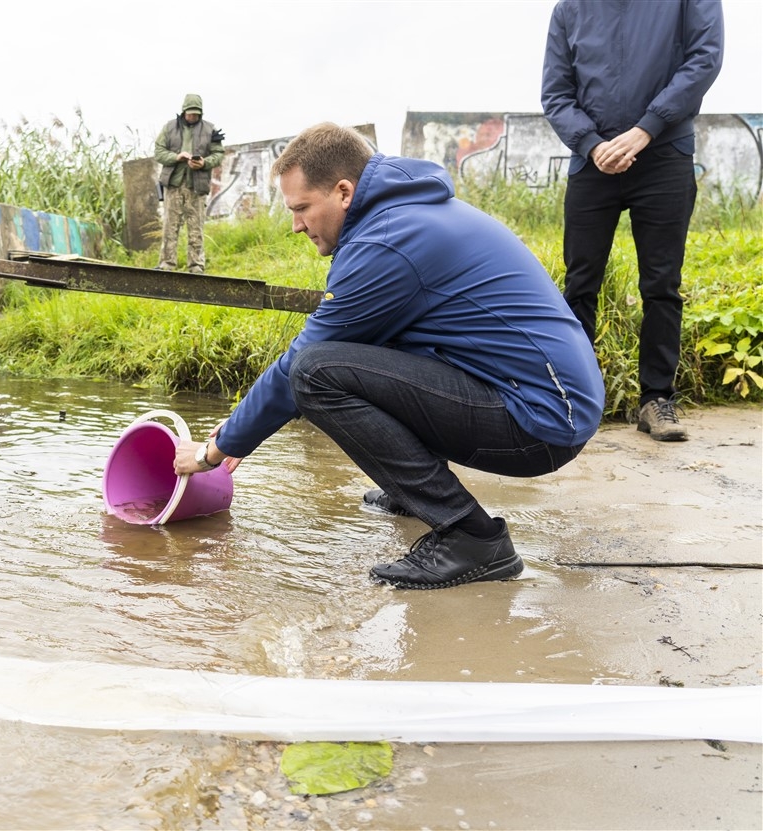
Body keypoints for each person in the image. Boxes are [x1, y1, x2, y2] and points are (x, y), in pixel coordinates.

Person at [172, 123, 605, 590]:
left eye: (301, 208)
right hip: (542, 399)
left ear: (343, 192)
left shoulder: (386, 243)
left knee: (314, 373)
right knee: (356, 351)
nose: (296, 224)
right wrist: (237, 429)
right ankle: (411, 492)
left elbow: (299, 363)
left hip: (542, 422)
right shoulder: (401, 214)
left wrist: (214, 451)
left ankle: (471, 537)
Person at [541, 0, 724, 442]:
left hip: (665, 155)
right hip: (593, 163)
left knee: (661, 284)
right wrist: (590, 143)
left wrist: (647, 128)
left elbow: (704, 59)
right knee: (580, 283)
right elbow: (556, 92)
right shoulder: (570, 9)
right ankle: (576, 398)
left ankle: (656, 400)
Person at [154, 94, 225, 274]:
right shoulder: (169, 128)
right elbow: (159, 152)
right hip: (173, 185)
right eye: (189, 113)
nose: (192, 116)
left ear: (200, 113)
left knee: (196, 227)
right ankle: (167, 264)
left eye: (195, 113)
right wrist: (176, 157)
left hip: (197, 185)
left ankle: (196, 265)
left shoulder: (210, 129)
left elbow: (218, 154)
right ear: (183, 111)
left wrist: (204, 163)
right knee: (170, 226)